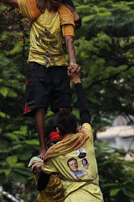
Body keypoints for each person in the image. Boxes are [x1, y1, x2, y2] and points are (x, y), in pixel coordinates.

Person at [0, 0, 79, 158]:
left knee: (65, 107)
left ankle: (68, 143)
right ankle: (43, 148)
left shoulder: (65, 13)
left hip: (58, 64)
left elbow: (69, 39)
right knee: (39, 106)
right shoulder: (36, 7)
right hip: (37, 63)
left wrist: (72, 62)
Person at [37, 67, 103, 201]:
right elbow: (85, 112)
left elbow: (41, 185)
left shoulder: (53, 154)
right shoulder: (86, 137)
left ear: (58, 131)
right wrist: (77, 80)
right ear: (77, 127)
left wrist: (38, 166)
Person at [27, 127, 65, 201]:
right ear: (47, 144)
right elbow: (38, 169)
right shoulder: (38, 160)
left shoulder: (67, 159)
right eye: (53, 143)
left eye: (58, 142)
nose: (56, 146)